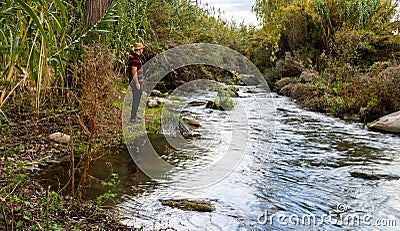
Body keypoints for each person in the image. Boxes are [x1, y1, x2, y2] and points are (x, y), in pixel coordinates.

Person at [128, 42, 145, 122]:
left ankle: (134, 115)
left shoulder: (133, 57)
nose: (142, 50)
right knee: (136, 99)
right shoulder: (135, 59)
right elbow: (134, 71)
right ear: (140, 49)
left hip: (137, 81)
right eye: (142, 49)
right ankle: (133, 118)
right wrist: (137, 83)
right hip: (135, 82)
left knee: (136, 98)